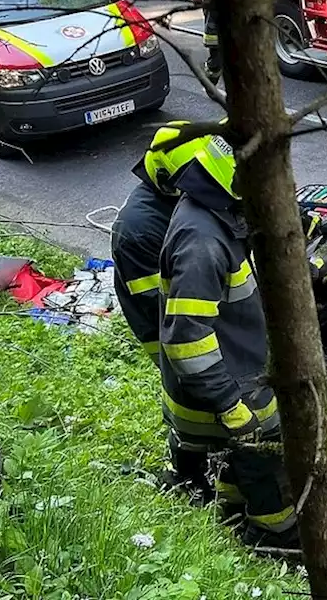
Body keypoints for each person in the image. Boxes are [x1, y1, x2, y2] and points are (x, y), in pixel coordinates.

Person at [158, 127, 327, 547]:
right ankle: (273, 534)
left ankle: (230, 506)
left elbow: (254, 259)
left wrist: (310, 258)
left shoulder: (216, 211)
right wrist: (230, 406)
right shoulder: (201, 243)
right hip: (223, 395)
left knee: (241, 464)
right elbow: (186, 339)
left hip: (238, 375)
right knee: (265, 468)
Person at [111, 121, 213, 504]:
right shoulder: (139, 230)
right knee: (189, 397)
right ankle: (188, 478)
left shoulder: (191, 198)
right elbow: (164, 317)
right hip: (164, 328)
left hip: (197, 316)